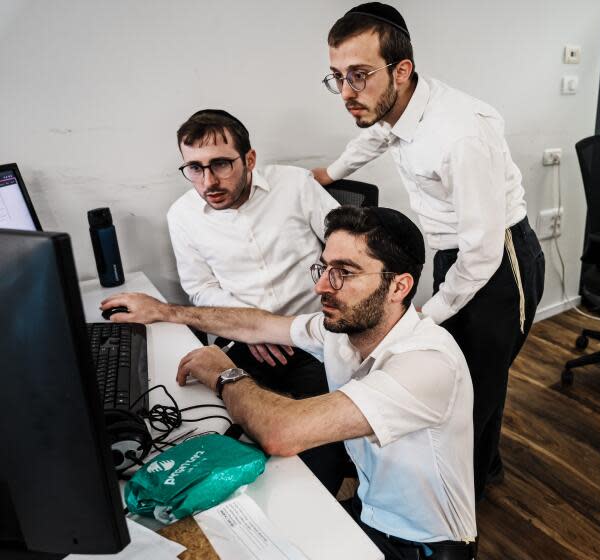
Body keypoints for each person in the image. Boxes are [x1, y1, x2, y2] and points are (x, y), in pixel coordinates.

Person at [103, 206, 478, 560]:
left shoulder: (428, 362)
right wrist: (166, 311)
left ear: (398, 287)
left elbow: (283, 431)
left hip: (421, 545)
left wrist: (224, 372)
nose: (322, 287)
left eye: (344, 272)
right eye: (324, 268)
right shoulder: (344, 330)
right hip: (371, 509)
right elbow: (258, 324)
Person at [311, 2, 545, 498]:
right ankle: (486, 465)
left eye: (359, 75)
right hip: (452, 254)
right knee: (459, 379)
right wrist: (329, 174)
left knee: (476, 388)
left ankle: (465, 503)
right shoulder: (394, 105)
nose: (347, 94)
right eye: (337, 77)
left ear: (402, 70)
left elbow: (482, 252)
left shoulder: (458, 135)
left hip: (499, 260)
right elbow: (374, 139)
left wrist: (428, 312)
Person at [168, 109, 347, 491]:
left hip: (314, 333)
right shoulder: (182, 216)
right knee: (211, 426)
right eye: (195, 168)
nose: (208, 181)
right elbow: (199, 288)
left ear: (249, 159)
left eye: (220, 164)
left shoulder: (296, 185)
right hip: (246, 342)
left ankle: (328, 518)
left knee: (316, 438)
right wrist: (253, 327)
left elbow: (347, 251)